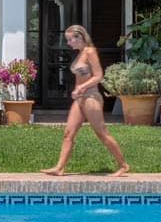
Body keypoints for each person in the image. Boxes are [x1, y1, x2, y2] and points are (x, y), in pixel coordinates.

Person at [41, 25, 130, 177]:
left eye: (70, 39)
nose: (68, 43)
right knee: (68, 133)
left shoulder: (90, 51)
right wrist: (78, 90)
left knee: (101, 133)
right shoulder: (80, 53)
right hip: (80, 99)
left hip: (91, 98)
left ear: (80, 37)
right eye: (67, 40)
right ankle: (59, 167)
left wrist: (82, 87)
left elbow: (98, 76)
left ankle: (123, 165)